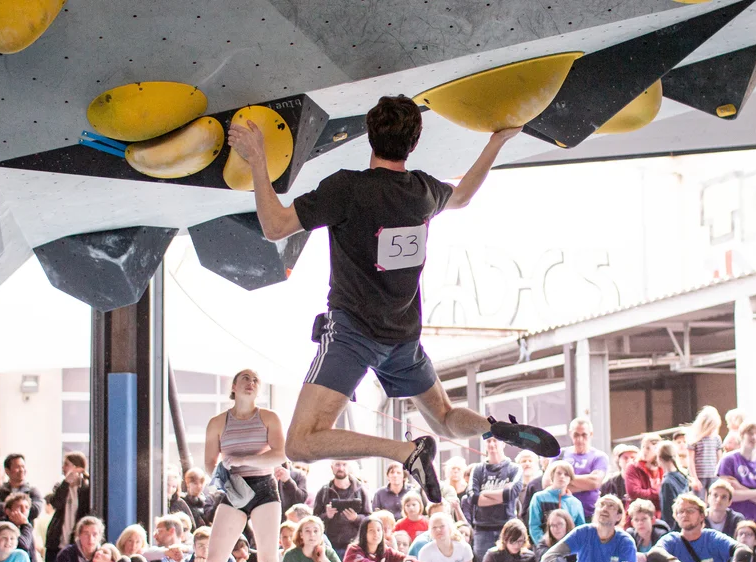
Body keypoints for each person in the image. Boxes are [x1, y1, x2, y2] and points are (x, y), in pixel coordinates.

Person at [230, 95, 557, 506]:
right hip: (404, 338)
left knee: (299, 444)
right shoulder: (421, 192)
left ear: (370, 135)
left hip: (352, 333)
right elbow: (463, 197)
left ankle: (404, 451)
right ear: (414, 143)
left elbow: (276, 226)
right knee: (445, 419)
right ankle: (495, 429)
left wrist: (257, 159)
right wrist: (496, 141)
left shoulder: (347, 189)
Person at [175, 369, 286, 562]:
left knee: (269, 559)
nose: (250, 383)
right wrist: (225, 474)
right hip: (233, 488)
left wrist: (241, 459)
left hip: (263, 488)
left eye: (255, 380)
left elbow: (281, 454)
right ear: (234, 386)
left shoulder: (269, 418)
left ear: (258, 390)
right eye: (245, 379)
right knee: (214, 559)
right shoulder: (217, 422)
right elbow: (210, 462)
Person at [467, 438, 522, 562]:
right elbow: (473, 497)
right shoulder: (478, 469)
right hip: (482, 530)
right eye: (488, 441)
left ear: (503, 443)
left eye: (495, 440)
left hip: (506, 529)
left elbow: (511, 493)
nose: (492, 444)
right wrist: (502, 495)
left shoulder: (514, 468)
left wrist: (484, 493)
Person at [45, 451, 90, 562]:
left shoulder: (87, 489)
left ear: (78, 468)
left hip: (74, 539)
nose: (63, 468)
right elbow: (56, 503)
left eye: (67, 465)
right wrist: (66, 483)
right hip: (57, 538)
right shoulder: (61, 487)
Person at [715, 420, 756, 525]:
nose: (754, 437)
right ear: (742, 436)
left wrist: (739, 487)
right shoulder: (728, 460)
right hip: (731, 520)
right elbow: (725, 495)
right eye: (750, 433)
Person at [556, 418, 610, 520]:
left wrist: (563, 482)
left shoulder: (599, 456)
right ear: (570, 434)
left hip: (589, 515)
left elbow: (594, 482)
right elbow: (548, 483)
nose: (580, 439)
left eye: (584, 435)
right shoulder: (560, 455)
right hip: (562, 515)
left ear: (591, 434)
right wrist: (585, 485)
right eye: (576, 435)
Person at [314, 460, 372, 552]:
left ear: (349, 467)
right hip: (329, 546)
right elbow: (314, 520)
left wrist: (356, 518)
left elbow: (370, 519)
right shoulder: (324, 492)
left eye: (344, 464)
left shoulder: (361, 491)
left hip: (355, 546)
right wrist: (327, 516)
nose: (341, 468)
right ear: (332, 467)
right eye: (337, 465)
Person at [527, 461, 585, 545]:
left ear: (570, 479)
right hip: (545, 548)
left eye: (566, 474)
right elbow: (534, 526)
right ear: (552, 476)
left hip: (569, 550)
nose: (562, 476)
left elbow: (580, 529)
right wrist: (544, 545)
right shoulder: (539, 498)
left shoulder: (576, 503)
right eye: (559, 473)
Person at [0, 454, 44, 524]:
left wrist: (10, 509)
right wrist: (23, 508)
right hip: (4, 530)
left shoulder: (32, 491)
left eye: (23, 467)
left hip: (26, 530)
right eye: (17, 467)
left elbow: (35, 510)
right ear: (7, 471)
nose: (21, 470)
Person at [687, 406, 723, 496]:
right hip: (699, 476)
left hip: (714, 476)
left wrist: (721, 475)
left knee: (714, 498)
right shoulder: (694, 439)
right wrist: (694, 478)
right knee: (699, 500)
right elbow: (690, 460)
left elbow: (720, 458)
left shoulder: (716, 439)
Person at [625, 433, 663, 512]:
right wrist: (659, 493)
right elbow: (634, 493)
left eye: (648, 448)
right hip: (638, 513)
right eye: (643, 447)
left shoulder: (662, 467)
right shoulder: (633, 467)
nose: (644, 451)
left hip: (659, 513)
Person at [657, 440, 690, 530]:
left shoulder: (667, 483)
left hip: (674, 528)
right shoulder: (683, 475)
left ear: (659, 458)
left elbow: (667, 514)